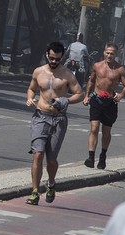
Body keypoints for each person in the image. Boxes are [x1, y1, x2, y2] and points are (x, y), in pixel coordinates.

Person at [25, 41, 84, 205]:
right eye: (51, 58)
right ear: (47, 55)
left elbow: (80, 93)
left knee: (51, 159)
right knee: (38, 154)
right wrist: (30, 98)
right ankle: (35, 192)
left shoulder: (67, 74)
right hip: (40, 116)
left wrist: (66, 101)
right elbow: (31, 88)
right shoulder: (39, 72)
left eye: (57, 59)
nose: (54, 61)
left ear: (61, 57)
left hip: (58, 119)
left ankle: (51, 183)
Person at [83, 43, 125, 169]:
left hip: (110, 102)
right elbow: (91, 80)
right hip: (96, 100)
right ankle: (91, 157)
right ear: (104, 52)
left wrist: (120, 95)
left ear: (116, 54)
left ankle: (103, 156)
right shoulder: (97, 66)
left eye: (112, 54)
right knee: (94, 128)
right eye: (107, 53)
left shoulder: (120, 69)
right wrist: (87, 95)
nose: (109, 55)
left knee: (106, 131)